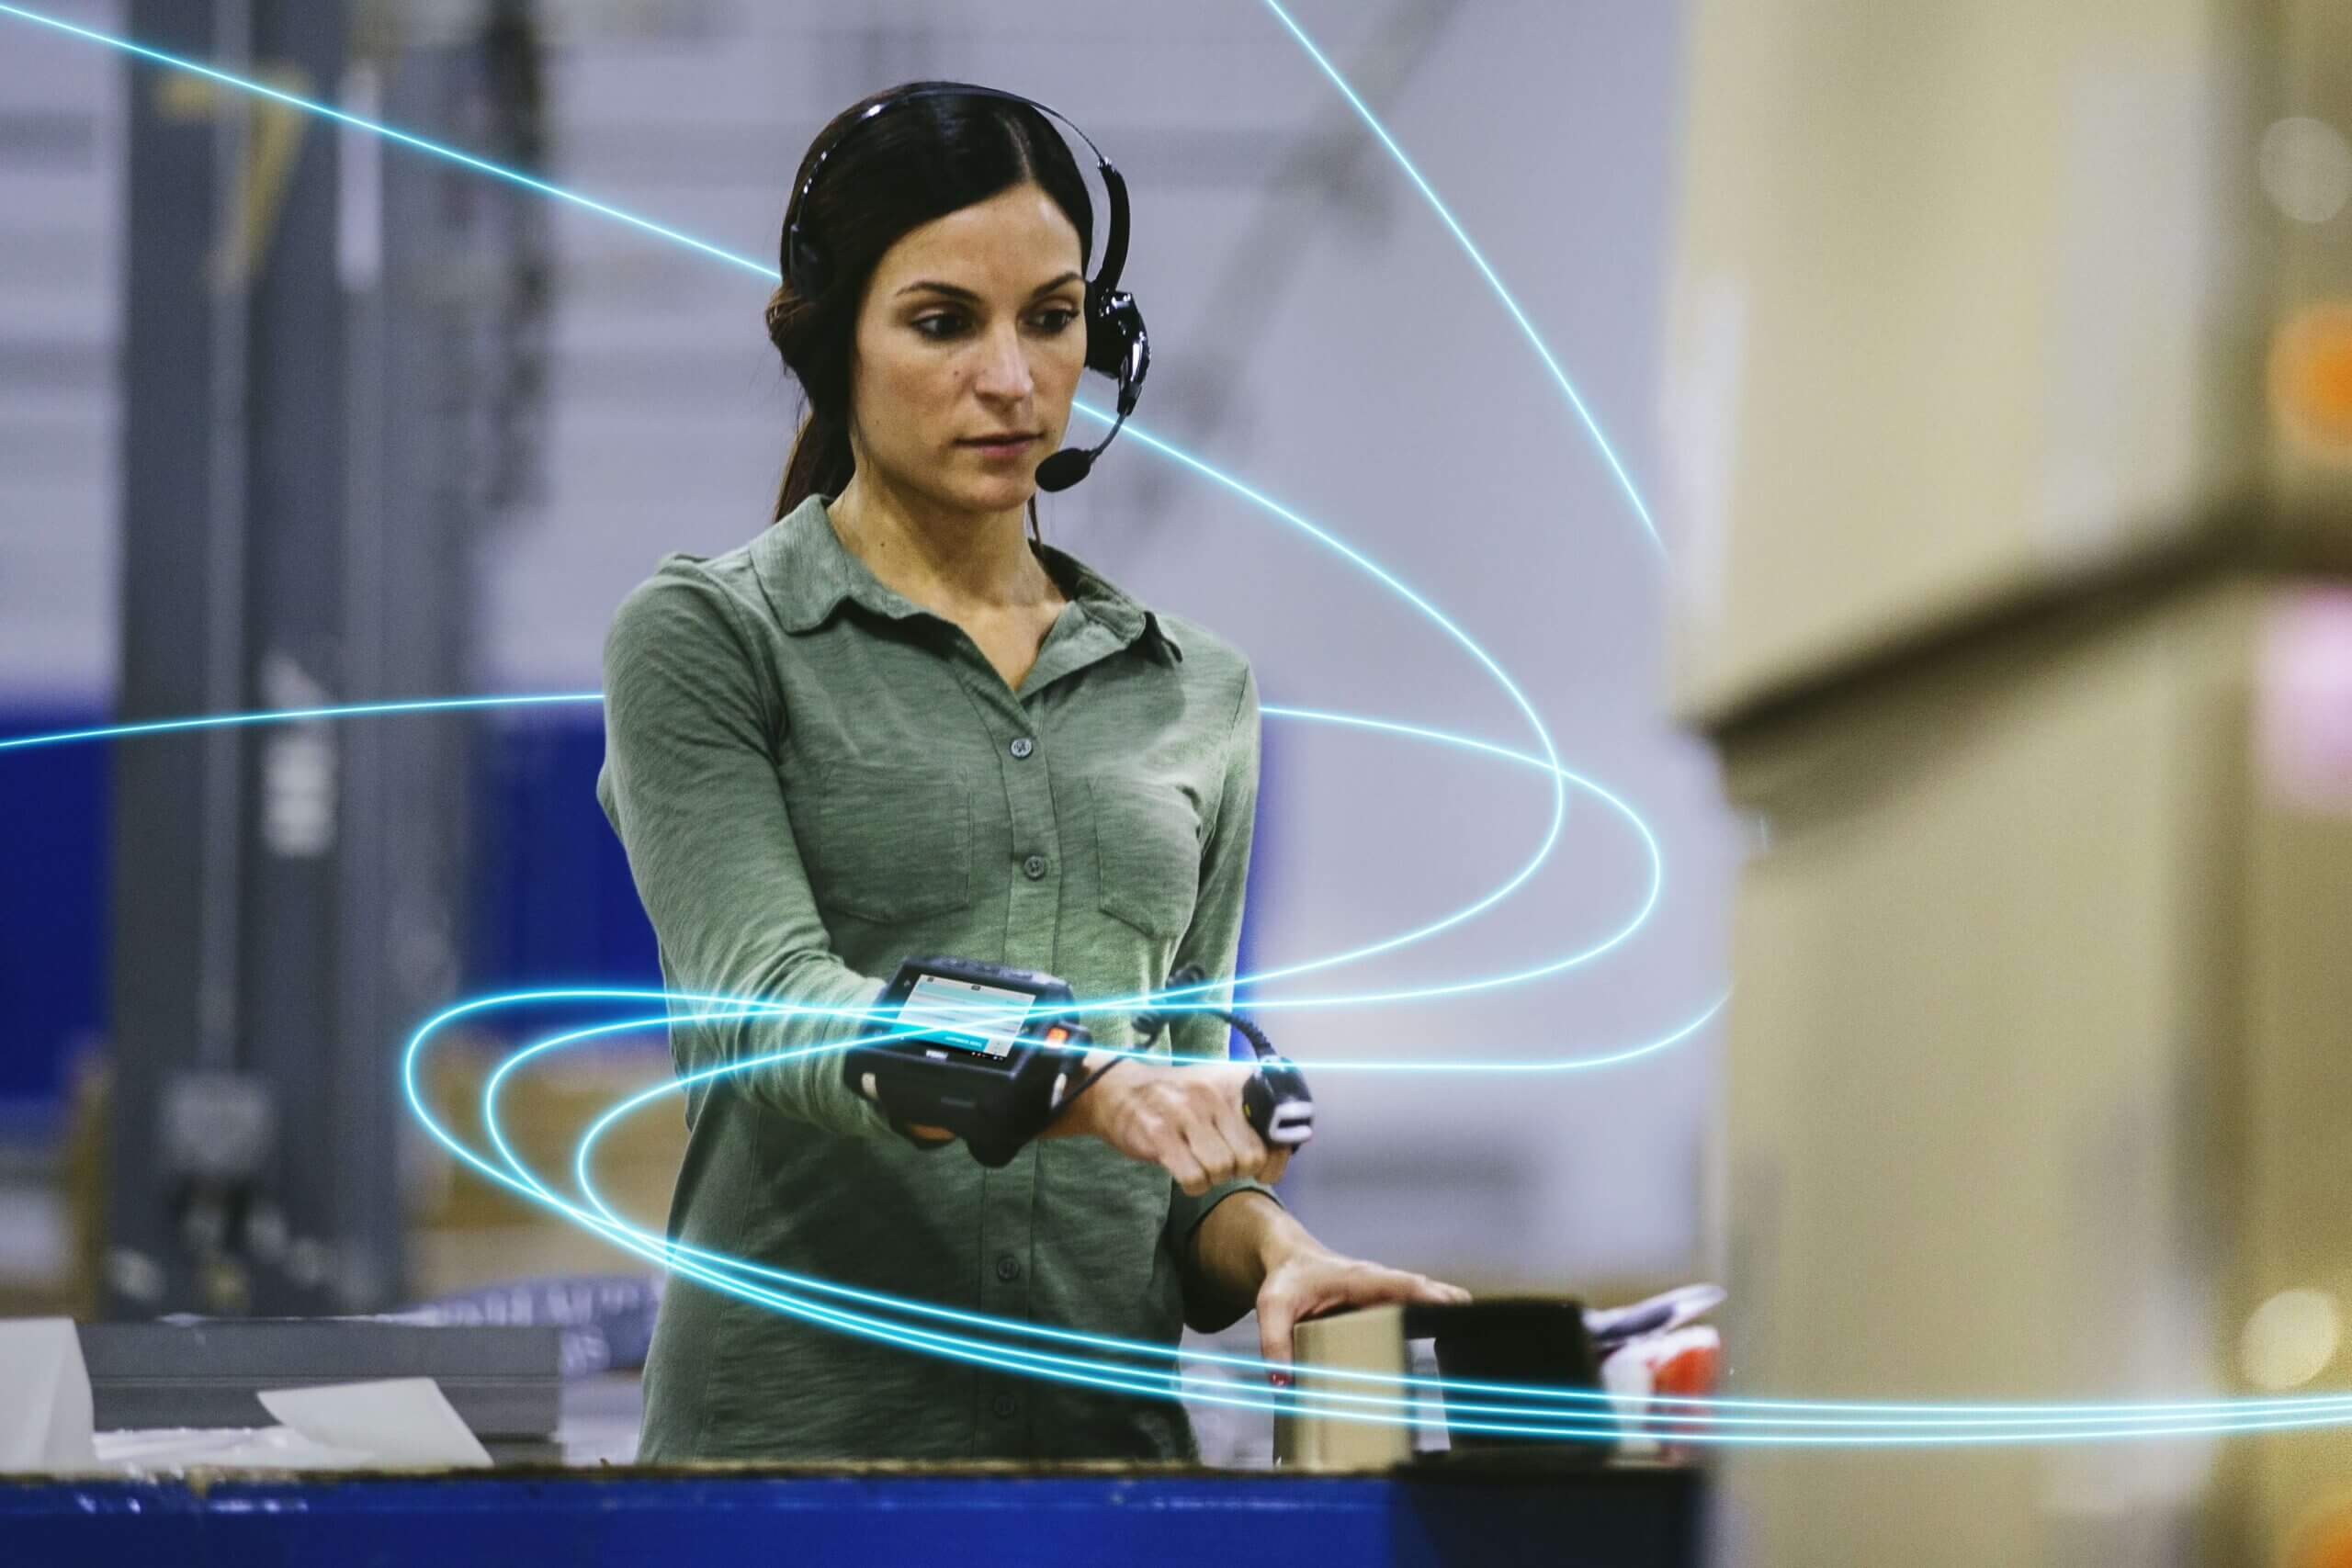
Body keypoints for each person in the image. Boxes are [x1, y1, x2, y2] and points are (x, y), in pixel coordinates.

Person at [597, 81, 1468, 1464]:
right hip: (783, 1482)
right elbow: (771, 1006)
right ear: (835, 342)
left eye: (1052, 319)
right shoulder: (713, 640)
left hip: (1107, 1477)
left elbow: (1182, 1167)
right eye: (944, 323)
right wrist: (1085, 1083)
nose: (1012, 379)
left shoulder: (1195, 696)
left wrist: (1275, 1248)